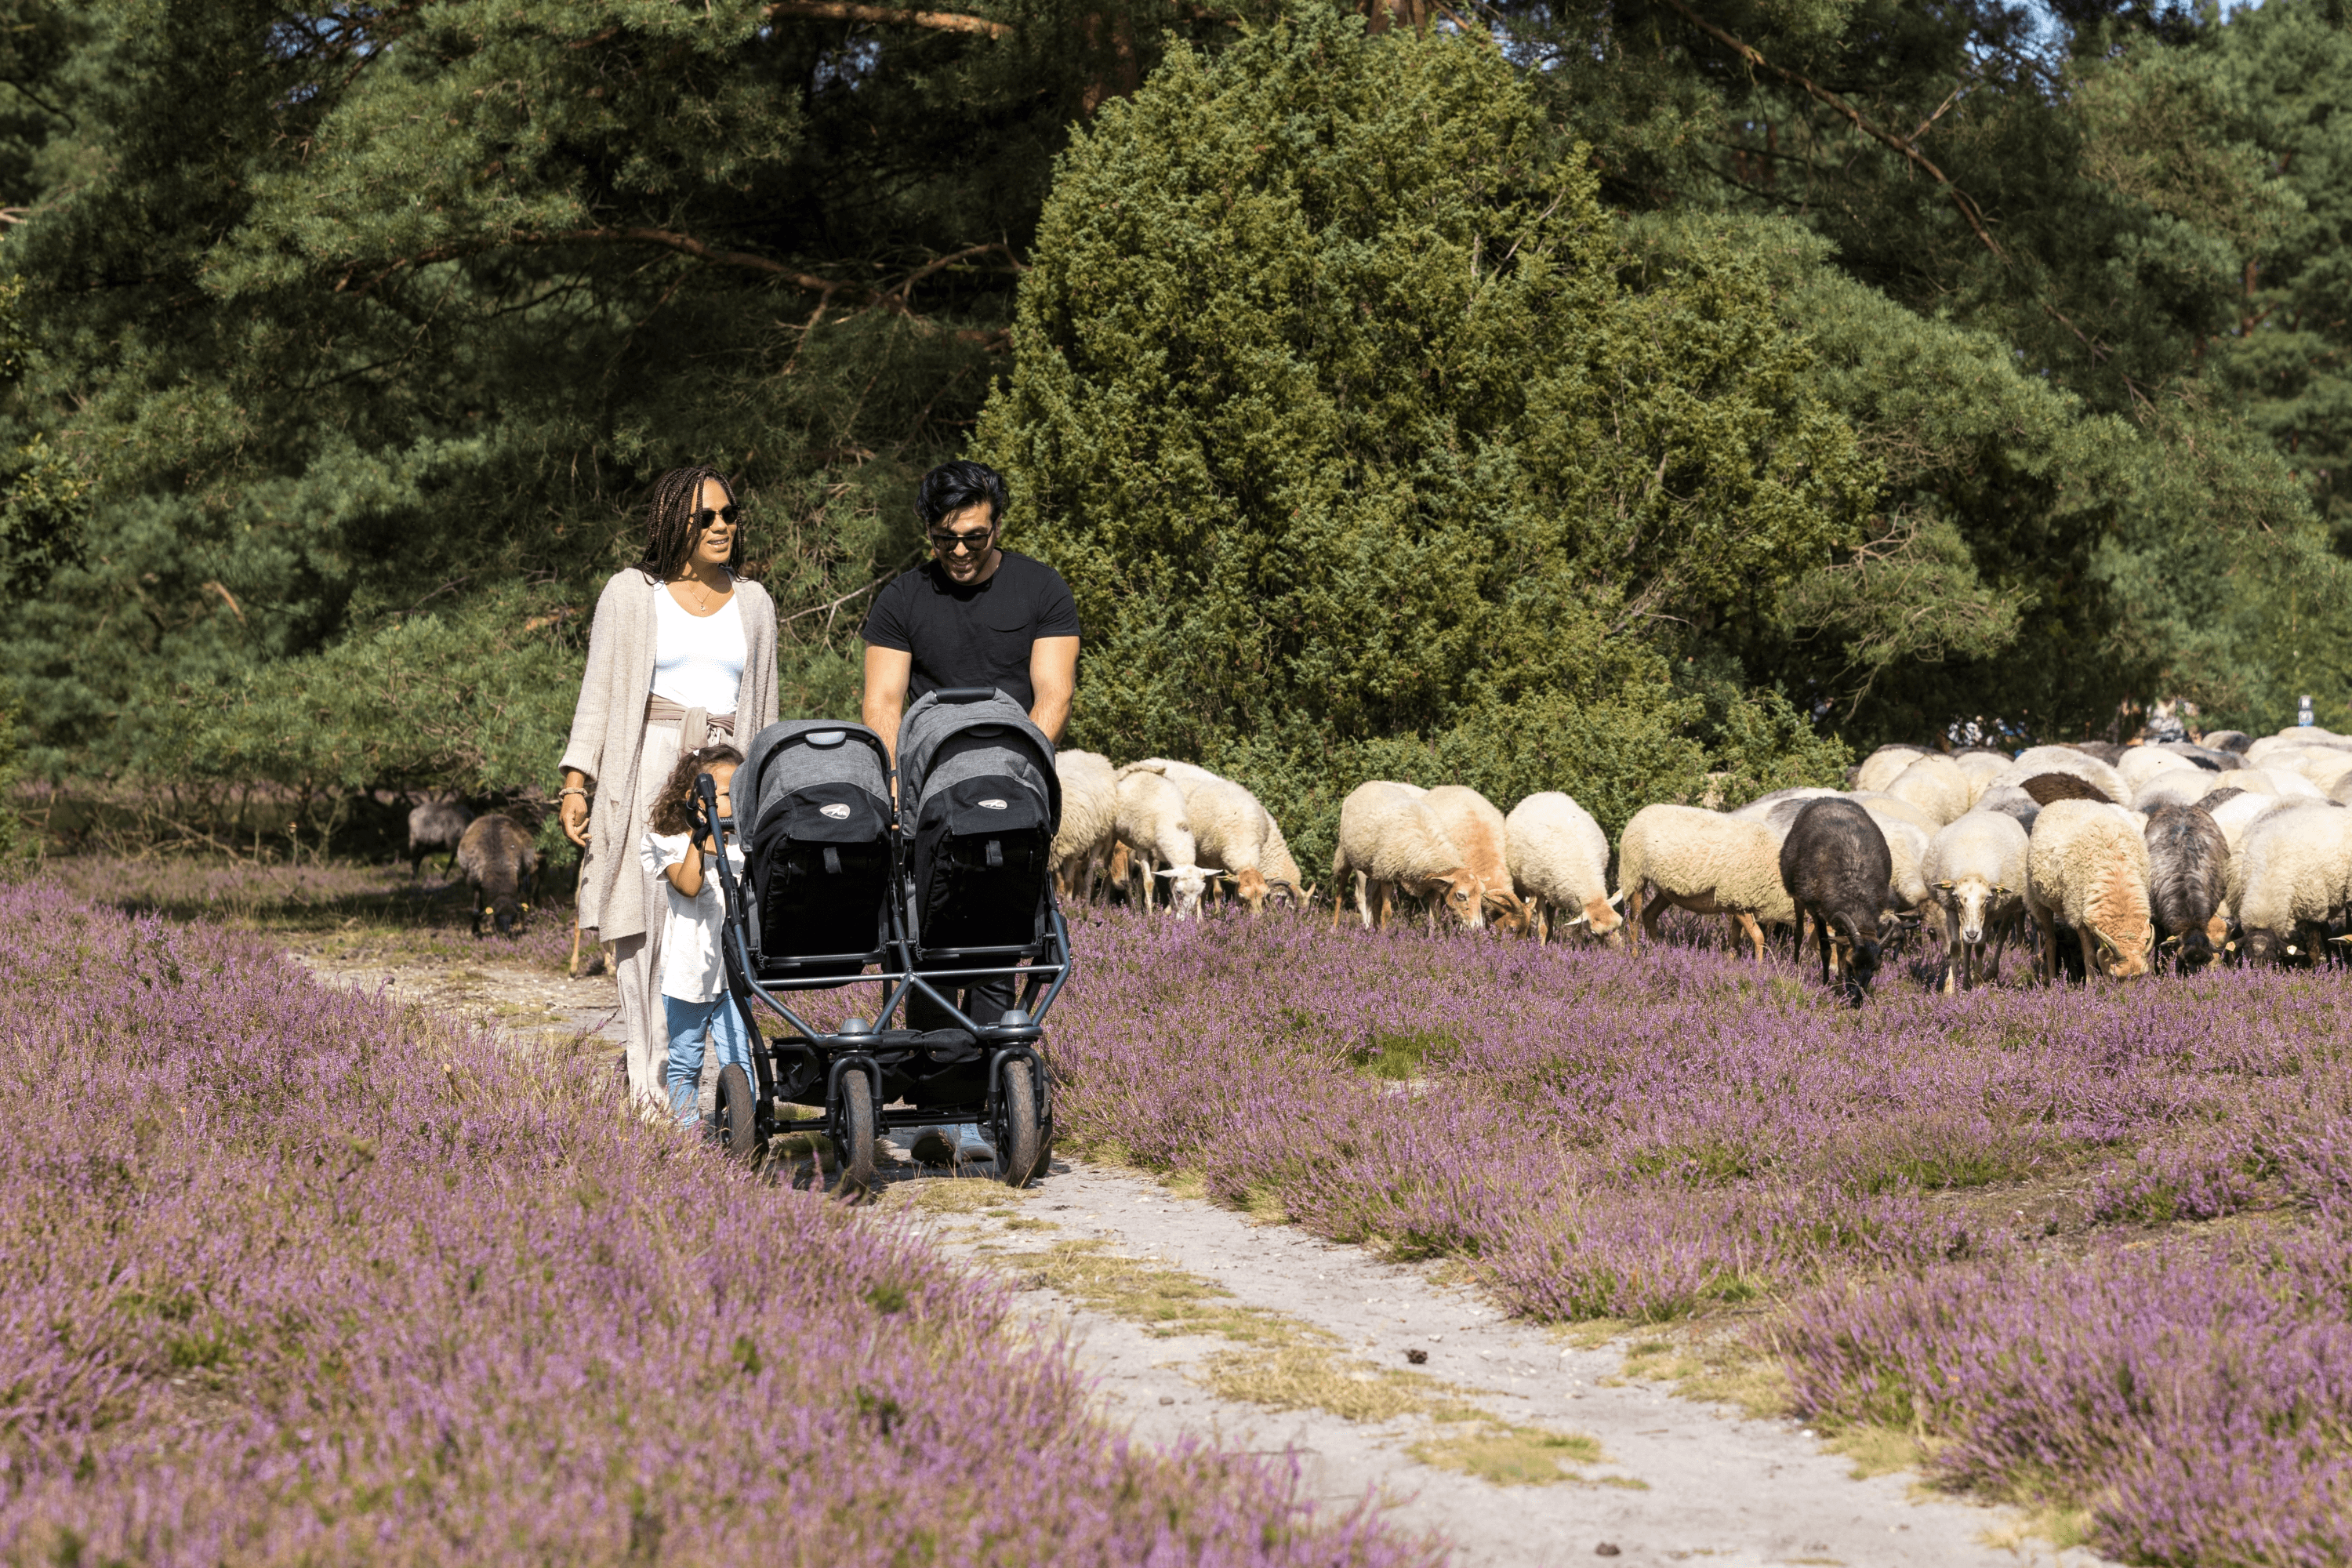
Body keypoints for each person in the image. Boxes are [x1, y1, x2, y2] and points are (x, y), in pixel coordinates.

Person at [861, 459, 1079, 1164]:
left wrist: (1020, 776)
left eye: (975, 537)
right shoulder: (901, 599)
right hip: (924, 798)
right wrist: (898, 789)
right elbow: (882, 704)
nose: (959, 551)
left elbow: (1053, 695)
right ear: (927, 531)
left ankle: (992, 1103)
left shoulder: (1041, 589)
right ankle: (932, 1103)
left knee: (994, 945)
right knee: (919, 945)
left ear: (997, 525)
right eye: (945, 537)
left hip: (1011, 789)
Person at [558, 467, 779, 1116]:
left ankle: (732, 1095)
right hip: (646, 768)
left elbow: (763, 709)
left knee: (719, 920)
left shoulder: (756, 603)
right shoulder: (632, 595)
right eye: (706, 516)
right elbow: (597, 693)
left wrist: (763, 795)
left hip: (726, 778)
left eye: (730, 514)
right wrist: (579, 782)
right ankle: (648, 1086)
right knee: (645, 927)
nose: (721, 526)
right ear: (673, 520)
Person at [640, 744, 753, 1130]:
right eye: (724, 793)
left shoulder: (747, 846)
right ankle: (687, 1135)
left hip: (735, 974)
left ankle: (745, 1132)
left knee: (739, 1058)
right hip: (688, 977)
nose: (734, 800)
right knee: (686, 1061)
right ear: (696, 798)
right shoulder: (667, 843)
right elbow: (689, 886)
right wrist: (700, 833)